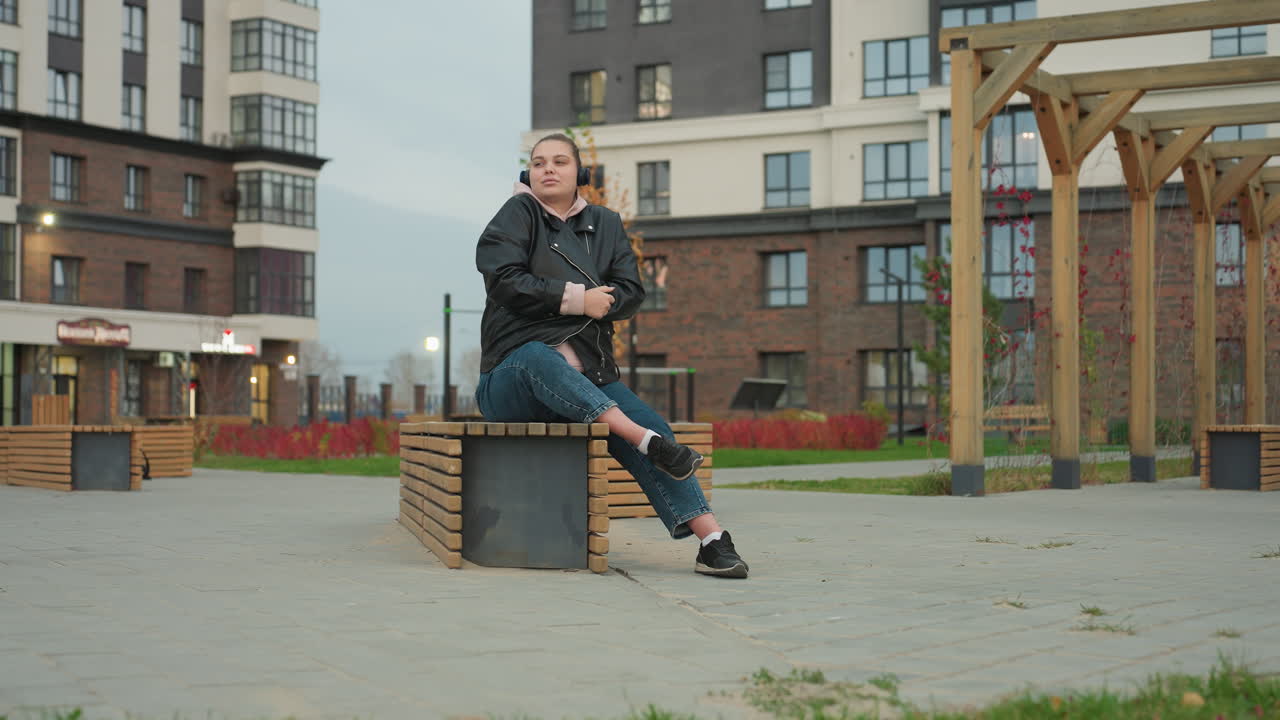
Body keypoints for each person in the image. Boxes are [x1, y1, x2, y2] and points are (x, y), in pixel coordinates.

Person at [473, 133, 749, 579]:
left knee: (655, 424)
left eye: (560, 161)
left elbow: (632, 290)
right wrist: (578, 299)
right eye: (538, 162)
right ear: (528, 174)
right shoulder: (517, 214)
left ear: (579, 172)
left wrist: (609, 302)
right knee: (542, 358)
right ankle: (640, 440)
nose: (548, 169)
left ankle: (712, 540)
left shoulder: (605, 222)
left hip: (590, 380)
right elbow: (503, 278)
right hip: (511, 378)